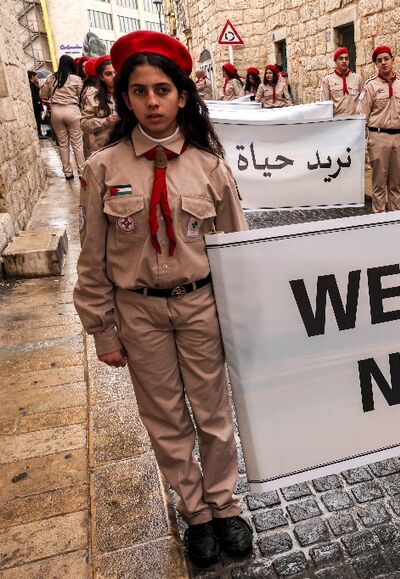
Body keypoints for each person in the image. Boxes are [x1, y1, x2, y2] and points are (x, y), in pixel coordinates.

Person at [73, 30, 252, 567]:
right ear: (125, 98)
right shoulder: (103, 169)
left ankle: (224, 505)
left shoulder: (210, 167)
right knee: (165, 418)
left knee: (214, 412)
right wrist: (102, 328)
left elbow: (237, 253)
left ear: (182, 96)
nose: (152, 102)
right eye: (140, 91)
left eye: (163, 90)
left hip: (201, 306)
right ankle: (194, 512)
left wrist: (242, 321)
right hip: (139, 312)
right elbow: (93, 256)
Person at [356, 45, 400, 213]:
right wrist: (360, 141)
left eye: (386, 59)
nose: (383, 63)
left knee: (395, 183)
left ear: (393, 60)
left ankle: (395, 218)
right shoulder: (370, 87)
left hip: (399, 138)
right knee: (378, 183)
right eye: (379, 60)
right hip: (378, 138)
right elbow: (361, 115)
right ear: (375, 64)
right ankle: (379, 218)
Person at [40, 54, 85, 180]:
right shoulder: (76, 79)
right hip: (72, 110)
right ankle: (82, 171)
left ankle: (67, 172)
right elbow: (81, 96)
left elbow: (43, 95)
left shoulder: (51, 78)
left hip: (56, 111)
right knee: (77, 143)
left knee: (63, 143)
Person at [80, 55, 118, 159]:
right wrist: (105, 121)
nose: (113, 76)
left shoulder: (129, 95)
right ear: (101, 77)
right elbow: (84, 125)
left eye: (116, 73)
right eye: (108, 74)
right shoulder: (93, 97)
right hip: (102, 149)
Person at [321, 47, 363, 116]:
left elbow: (363, 102)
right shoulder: (327, 80)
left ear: (349, 61)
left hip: (354, 121)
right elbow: (324, 106)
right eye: (341, 58)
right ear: (335, 61)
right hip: (337, 123)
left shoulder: (358, 79)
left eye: (346, 58)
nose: (344, 61)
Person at [28, 70, 44, 138]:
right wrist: (39, 104)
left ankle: (40, 133)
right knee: (37, 120)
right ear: (32, 77)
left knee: (38, 120)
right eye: (36, 77)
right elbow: (35, 96)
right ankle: (39, 133)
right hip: (36, 106)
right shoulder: (31, 85)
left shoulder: (33, 85)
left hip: (37, 105)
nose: (37, 78)